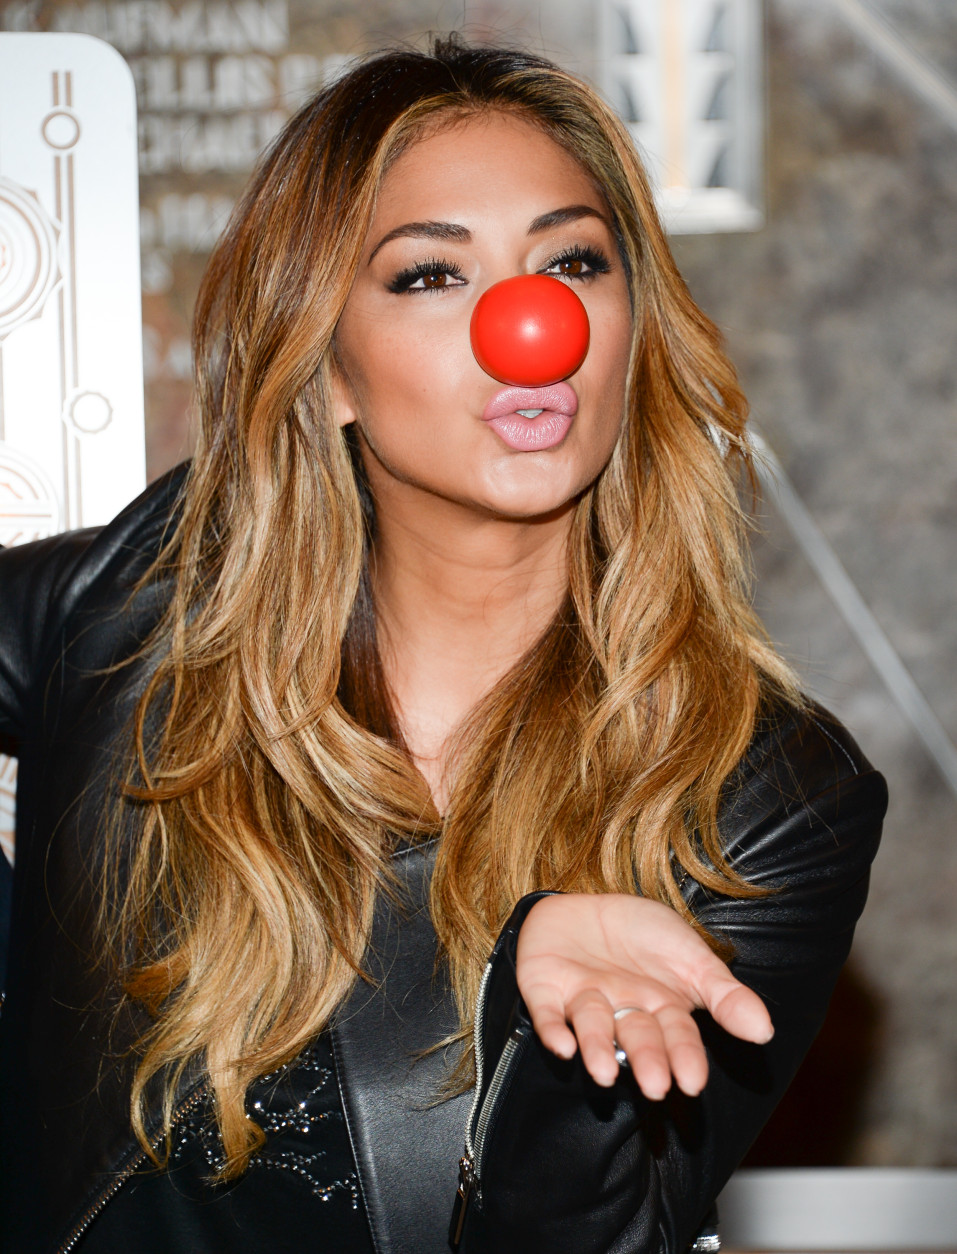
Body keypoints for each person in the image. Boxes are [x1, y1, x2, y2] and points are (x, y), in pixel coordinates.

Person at [0, 37, 886, 1254]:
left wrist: (556, 1065)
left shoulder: (766, 800)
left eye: (573, 261)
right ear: (326, 373)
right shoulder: (140, 609)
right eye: (428, 276)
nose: (534, 324)